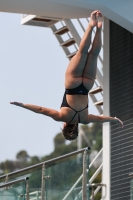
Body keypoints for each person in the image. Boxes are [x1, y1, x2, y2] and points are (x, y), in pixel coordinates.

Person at [10, 10, 123, 141]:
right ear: (64, 127)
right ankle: (91, 24)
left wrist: (114, 120)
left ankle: (98, 27)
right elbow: (41, 109)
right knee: (82, 53)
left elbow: (99, 118)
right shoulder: (62, 116)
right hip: (73, 84)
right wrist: (22, 105)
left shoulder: (84, 119)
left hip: (86, 86)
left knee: (93, 55)